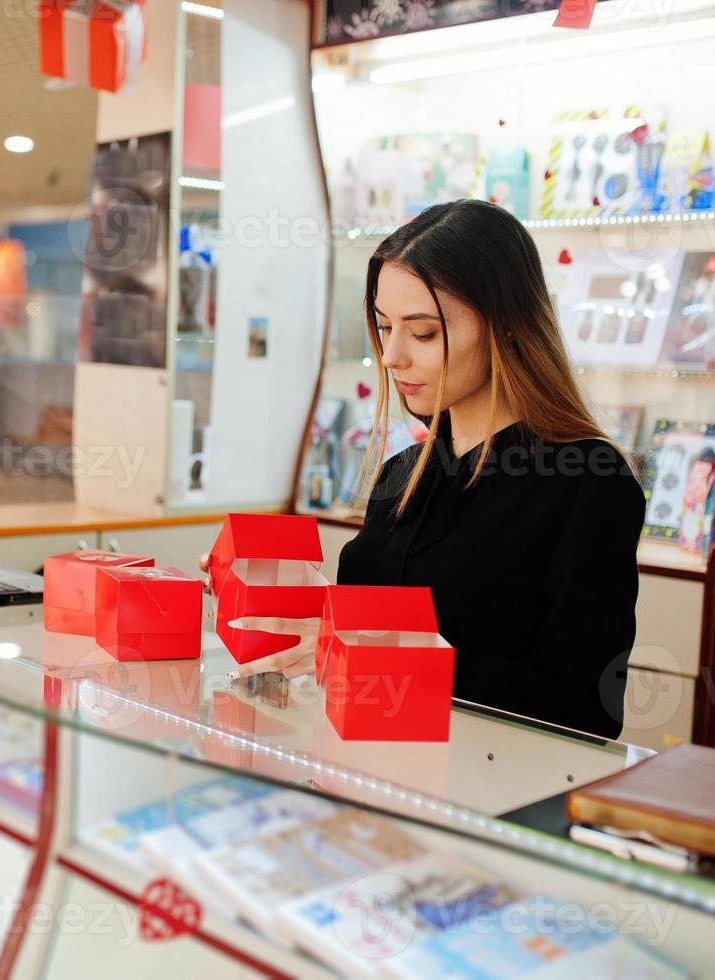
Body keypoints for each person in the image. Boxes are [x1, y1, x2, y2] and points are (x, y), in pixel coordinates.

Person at [202, 200, 645, 740]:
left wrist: (366, 645)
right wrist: (279, 604)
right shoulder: (402, 472)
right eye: (385, 327)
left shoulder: (589, 481)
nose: (391, 356)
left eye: (424, 333)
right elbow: (359, 648)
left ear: (506, 325)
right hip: (367, 776)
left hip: (489, 793)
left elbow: (587, 709)